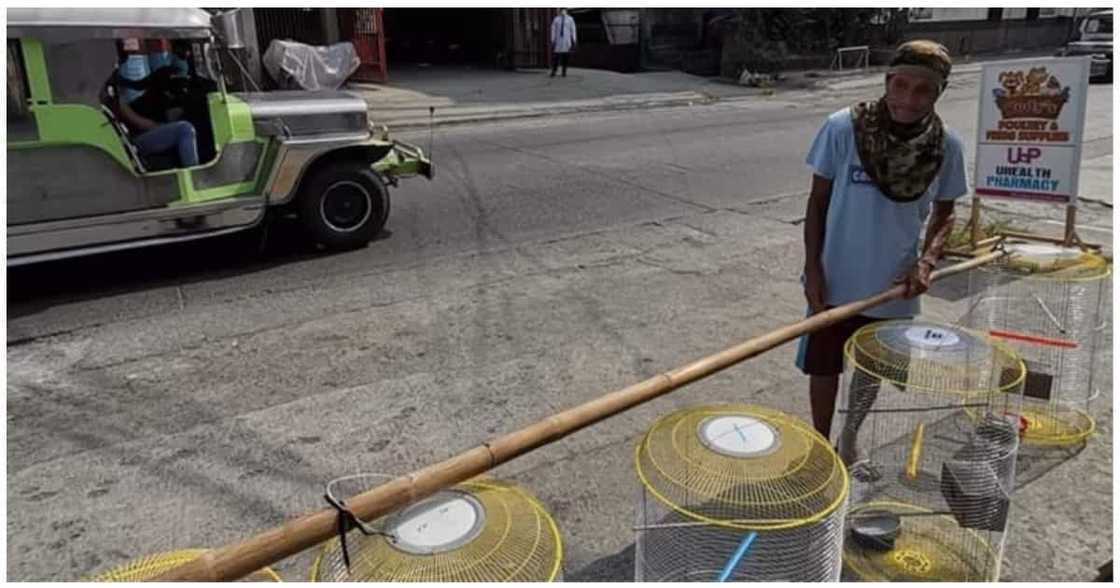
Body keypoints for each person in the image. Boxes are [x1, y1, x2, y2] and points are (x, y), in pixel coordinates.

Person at [795, 40, 967, 466]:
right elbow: (817, 202)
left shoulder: (947, 147)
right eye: (901, 85)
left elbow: (946, 212)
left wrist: (927, 261)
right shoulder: (842, 129)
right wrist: (812, 270)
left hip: (894, 285)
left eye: (923, 90)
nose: (908, 99)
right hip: (834, 277)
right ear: (887, 82)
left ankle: (849, 436)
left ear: (938, 93)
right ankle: (821, 445)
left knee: (871, 369)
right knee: (824, 367)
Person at [105, 38, 199, 168]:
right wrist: (156, 126)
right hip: (133, 140)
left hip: (137, 130)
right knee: (185, 129)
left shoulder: (114, 84)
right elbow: (132, 118)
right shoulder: (111, 91)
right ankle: (195, 176)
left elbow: (140, 86)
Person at [550, 8, 577, 78]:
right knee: (556, 57)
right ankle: (554, 71)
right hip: (558, 40)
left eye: (564, 10)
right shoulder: (556, 19)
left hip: (566, 40)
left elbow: (573, 29)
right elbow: (553, 30)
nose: (563, 11)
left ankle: (564, 71)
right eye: (562, 10)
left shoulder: (570, 19)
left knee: (566, 57)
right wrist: (553, 39)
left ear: (566, 11)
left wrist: (574, 39)